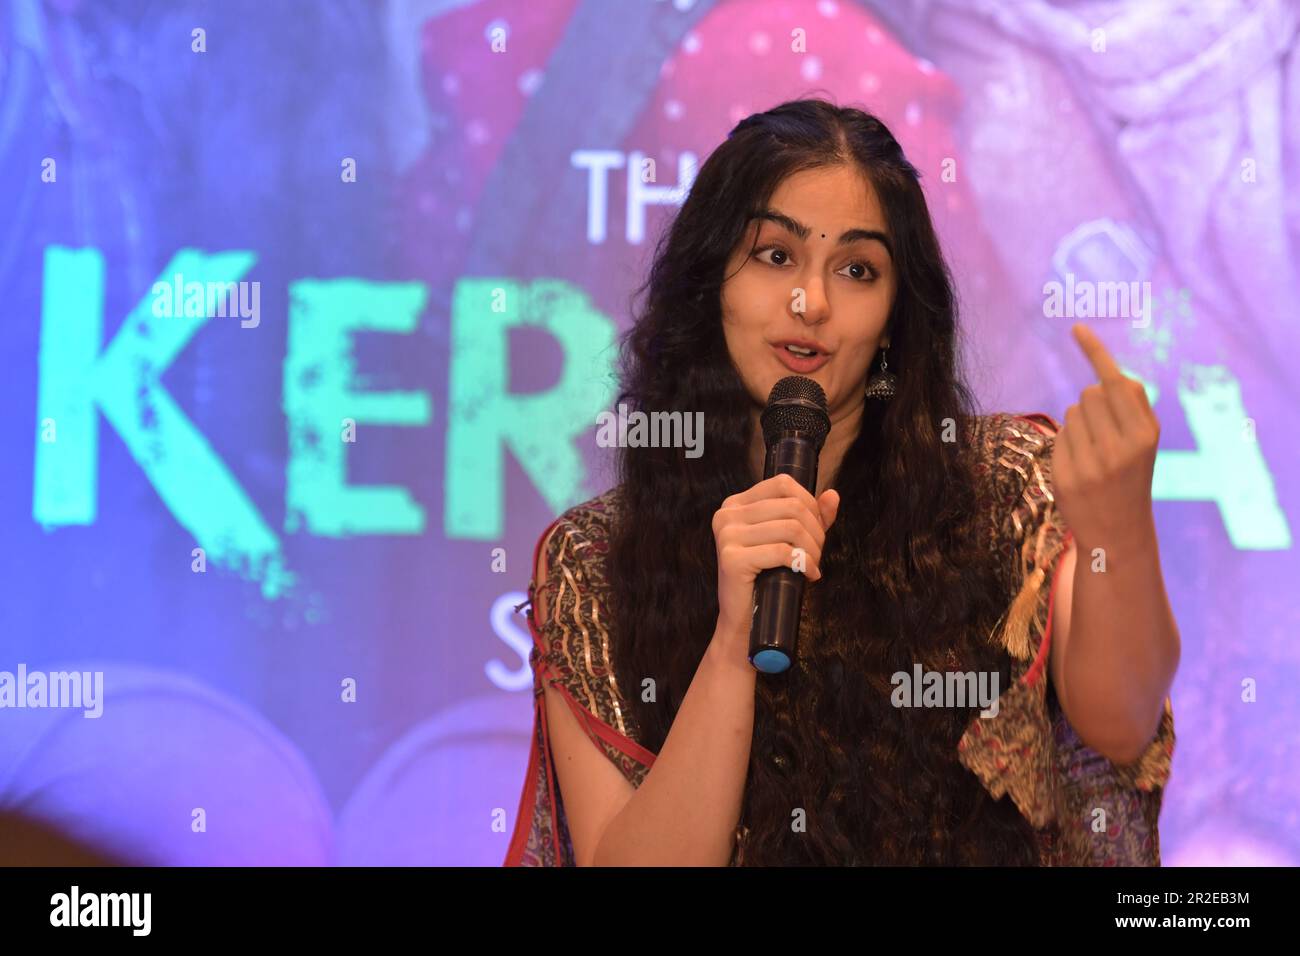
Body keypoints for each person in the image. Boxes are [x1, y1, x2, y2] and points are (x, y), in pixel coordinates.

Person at [504, 98, 1178, 867]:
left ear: (896, 313)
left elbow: (1122, 723)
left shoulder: (1007, 483)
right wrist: (733, 640)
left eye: (857, 270)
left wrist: (1120, 534)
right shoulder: (595, 560)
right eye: (775, 256)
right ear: (710, 281)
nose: (812, 303)